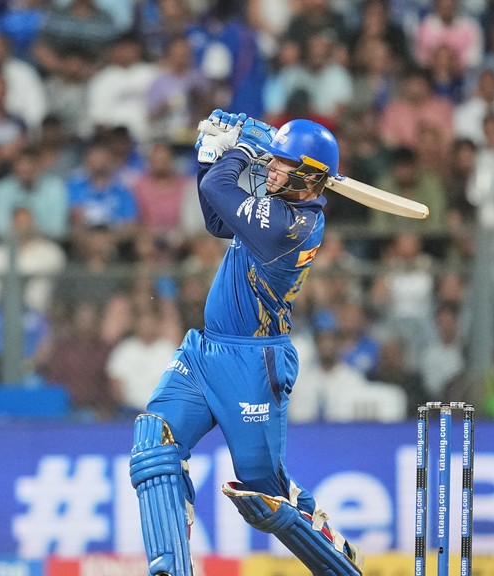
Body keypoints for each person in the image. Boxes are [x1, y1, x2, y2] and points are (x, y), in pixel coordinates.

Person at [129, 111, 364, 576]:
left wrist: (240, 148)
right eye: (270, 161)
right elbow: (218, 216)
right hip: (204, 351)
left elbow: (221, 190)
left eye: (280, 163)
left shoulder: (294, 226)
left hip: (254, 364)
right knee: (153, 443)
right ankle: (170, 568)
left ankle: (336, 561)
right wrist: (210, 156)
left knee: (263, 497)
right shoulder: (276, 206)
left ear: (308, 176)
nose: (270, 169)